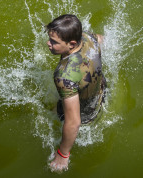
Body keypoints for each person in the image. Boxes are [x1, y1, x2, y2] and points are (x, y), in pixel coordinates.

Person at [46, 14, 106, 173]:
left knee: (47, 110)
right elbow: (102, 39)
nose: (48, 44)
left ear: (71, 44)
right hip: (101, 93)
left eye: (54, 42)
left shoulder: (64, 76)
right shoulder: (87, 38)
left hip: (87, 115)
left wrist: (62, 154)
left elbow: (73, 122)